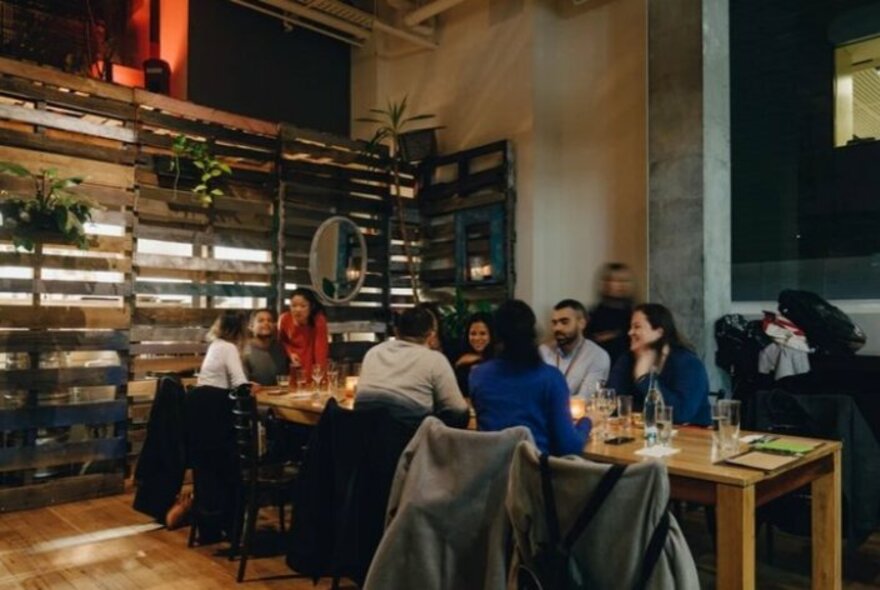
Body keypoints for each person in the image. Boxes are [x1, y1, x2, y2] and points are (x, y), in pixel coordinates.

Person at [470, 300, 592, 456]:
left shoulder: (477, 376)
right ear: (533, 332)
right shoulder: (551, 378)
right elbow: (569, 447)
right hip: (534, 474)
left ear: (495, 335)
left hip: (491, 473)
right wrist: (587, 422)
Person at [354, 305, 469, 427]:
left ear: (397, 331)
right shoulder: (434, 359)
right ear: (431, 335)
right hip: (407, 440)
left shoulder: (374, 352)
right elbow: (458, 412)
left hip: (362, 437)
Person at [607, 303, 710, 425]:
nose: (630, 332)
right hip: (642, 434)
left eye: (637, 327)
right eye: (631, 327)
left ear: (659, 332)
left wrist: (644, 379)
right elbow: (611, 402)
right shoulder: (626, 360)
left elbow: (681, 414)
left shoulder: (688, 363)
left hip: (693, 437)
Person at [539, 299, 610, 399]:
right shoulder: (543, 351)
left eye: (564, 322)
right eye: (554, 323)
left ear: (582, 323)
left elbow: (585, 400)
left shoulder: (598, 356)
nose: (557, 328)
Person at [586, 262, 636, 365]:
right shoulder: (593, 315)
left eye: (624, 281)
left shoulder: (636, 314)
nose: (620, 285)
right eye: (614, 280)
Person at [278, 287, 329, 382]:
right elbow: (282, 342)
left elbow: (321, 350)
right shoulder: (284, 318)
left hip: (311, 363)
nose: (298, 310)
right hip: (292, 364)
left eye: (303, 306)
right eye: (293, 305)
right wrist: (290, 353)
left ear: (311, 306)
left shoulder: (318, 320)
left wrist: (321, 377)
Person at [197, 311, 253, 390]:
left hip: (202, 395)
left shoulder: (215, 345)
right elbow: (239, 382)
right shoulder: (228, 347)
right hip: (216, 396)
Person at [243, 308, 290, 386]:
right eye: (261, 320)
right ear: (251, 327)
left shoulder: (281, 348)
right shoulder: (243, 351)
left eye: (270, 320)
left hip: (280, 396)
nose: (266, 323)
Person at [453, 312, 494, 396]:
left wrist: (480, 358)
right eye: (473, 334)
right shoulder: (461, 357)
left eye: (483, 333)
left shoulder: (499, 359)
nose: (477, 338)